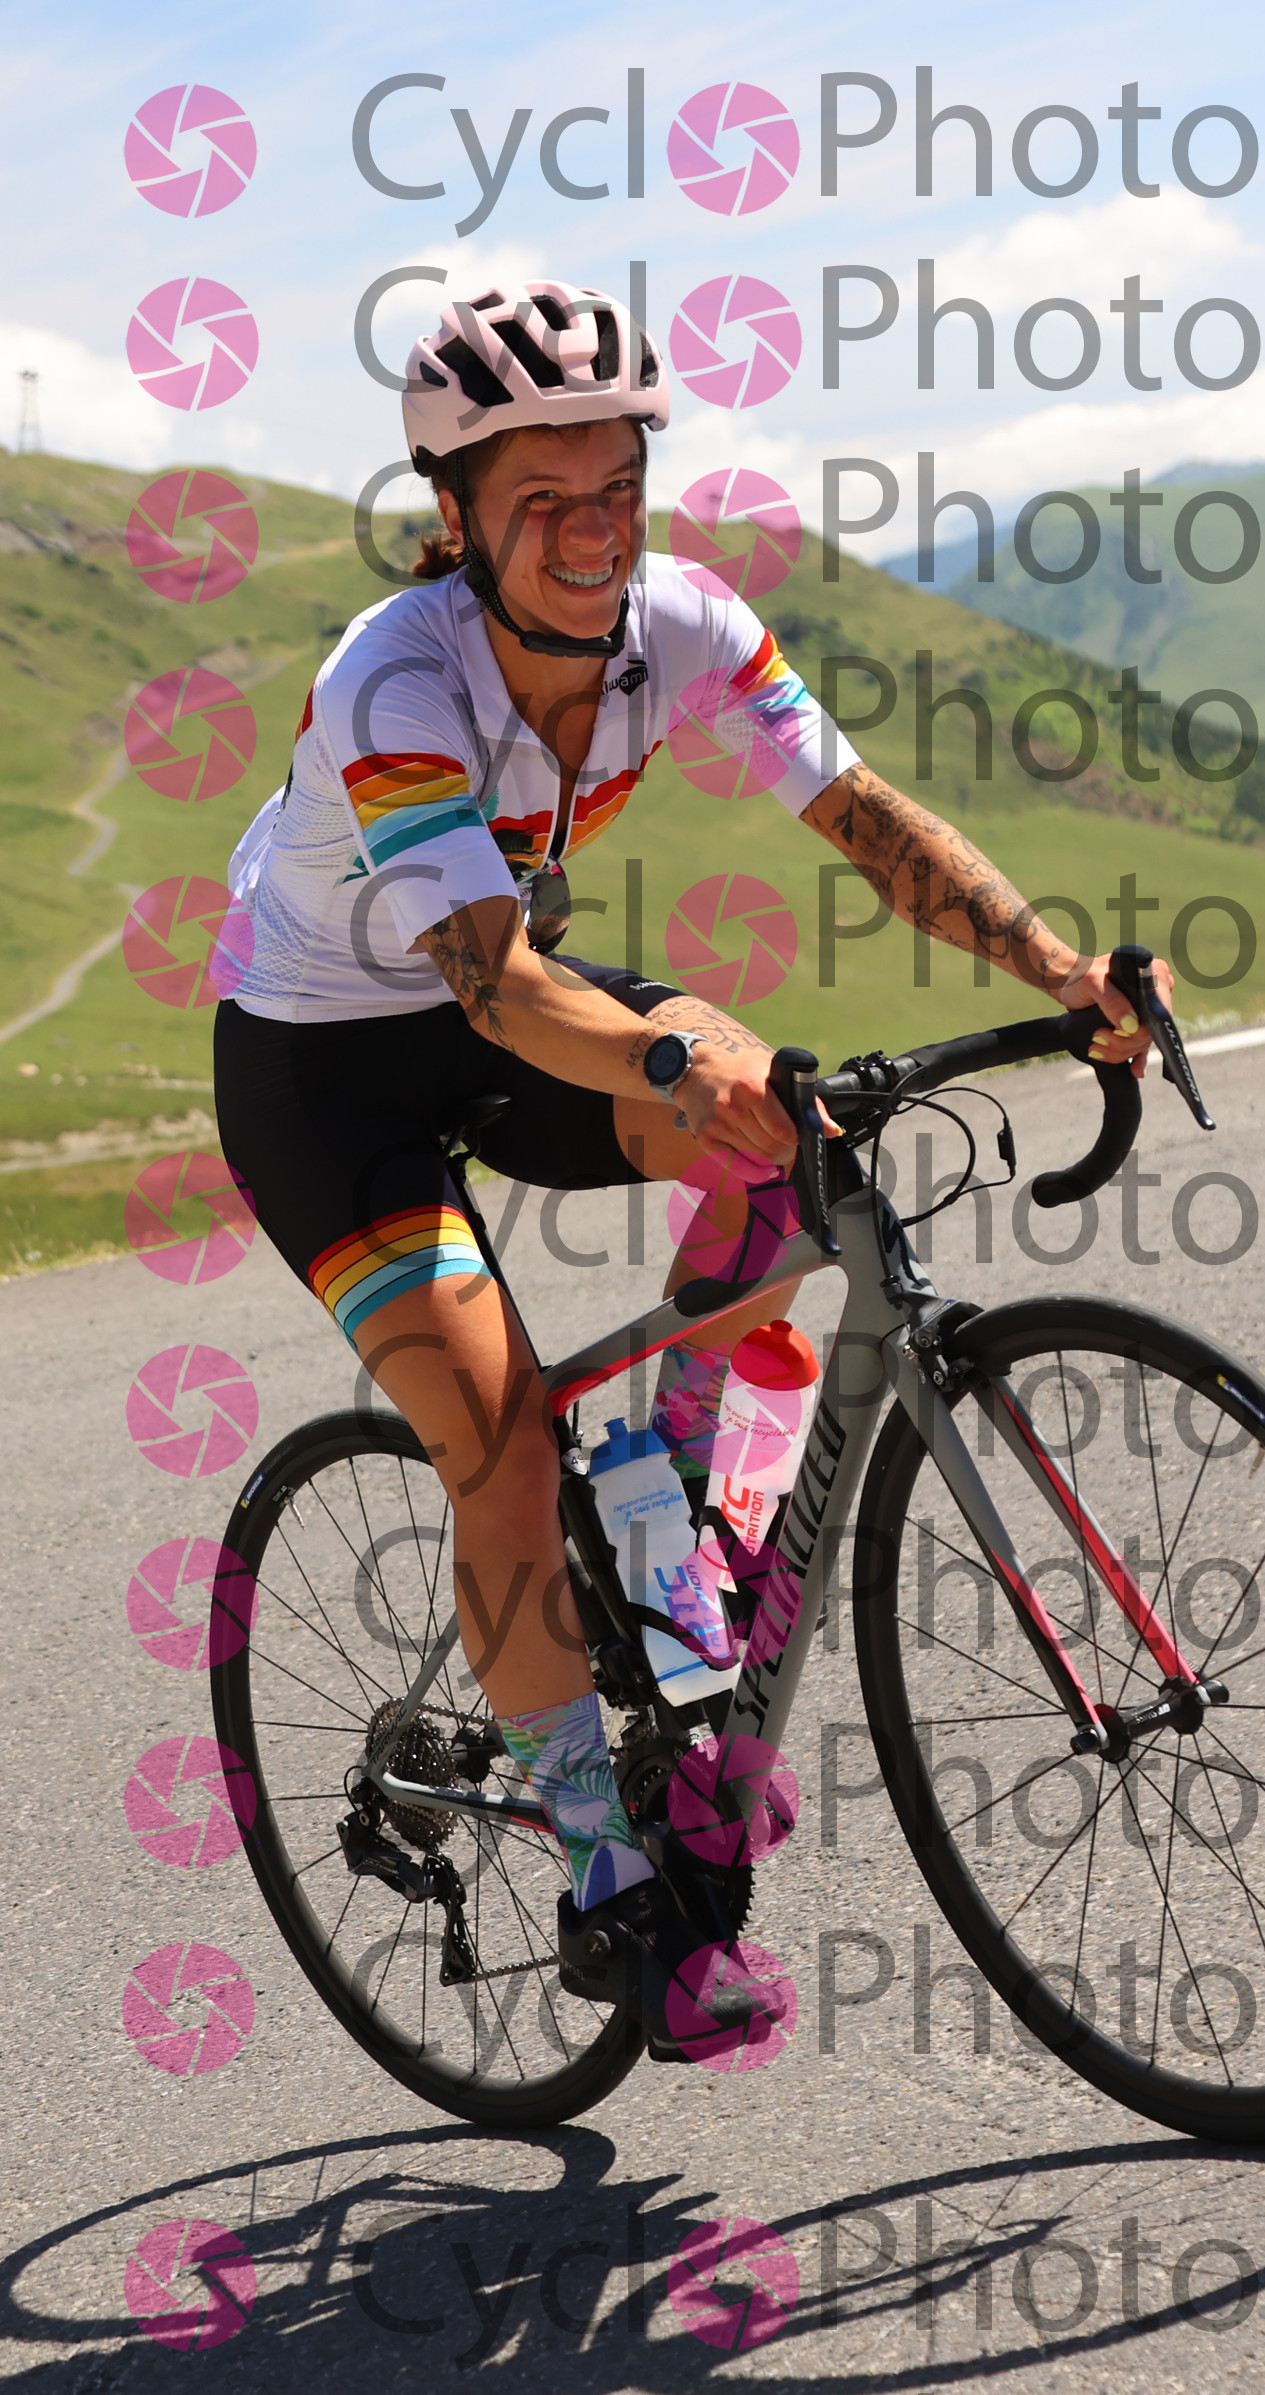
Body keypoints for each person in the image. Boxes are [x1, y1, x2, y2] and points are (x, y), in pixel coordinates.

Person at [214, 278, 1171, 2049]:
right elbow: (494, 983)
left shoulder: (686, 621)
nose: (593, 535)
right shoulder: (393, 680)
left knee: (787, 1135)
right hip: (326, 1068)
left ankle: (673, 1541)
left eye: (617, 489)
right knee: (501, 1433)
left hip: (513, 1003)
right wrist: (674, 1056)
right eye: (542, 502)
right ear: (455, 519)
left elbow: (864, 819)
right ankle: (604, 1868)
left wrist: (1060, 968)